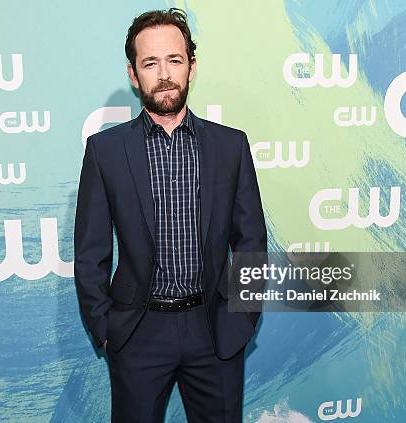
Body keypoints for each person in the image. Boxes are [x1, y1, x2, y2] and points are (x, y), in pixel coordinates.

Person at [74, 8, 267, 423]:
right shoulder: (105, 152)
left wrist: (243, 317)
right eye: (150, 63)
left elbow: (250, 240)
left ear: (191, 67)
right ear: (133, 74)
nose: (164, 74)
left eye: (174, 60)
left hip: (214, 327)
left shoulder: (230, 147)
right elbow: (90, 253)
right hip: (137, 331)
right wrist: (106, 330)